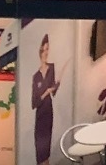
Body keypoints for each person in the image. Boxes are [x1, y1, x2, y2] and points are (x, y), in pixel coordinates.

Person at [31, 34, 59, 165]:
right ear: (40, 51)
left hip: (48, 113)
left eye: (48, 49)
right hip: (40, 115)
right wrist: (45, 93)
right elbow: (34, 103)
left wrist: (55, 86)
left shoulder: (52, 68)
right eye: (44, 49)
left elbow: (54, 91)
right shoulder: (36, 77)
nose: (46, 52)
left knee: (46, 148)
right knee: (39, 150)